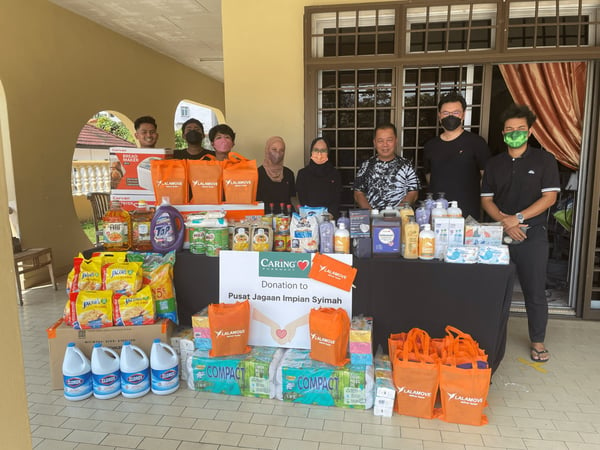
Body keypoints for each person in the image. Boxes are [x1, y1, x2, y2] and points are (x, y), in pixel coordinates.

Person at [481, 104, 560, 363]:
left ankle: (537, 341)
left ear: (530, 131)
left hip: (532, 235)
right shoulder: (495, 164)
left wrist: (518, 218)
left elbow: (549, 197)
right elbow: (486, 200)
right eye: (510, 130)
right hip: (501, 234)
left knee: (534, 290)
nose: (515, 134)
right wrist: (506, 221)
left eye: (520, 130)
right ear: (503, 133)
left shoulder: (544, 160)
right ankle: (490, 338)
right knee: (494, 290)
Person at [423, 92, 491, 219]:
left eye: (455, 113)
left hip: (467, 211)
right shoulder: (430, 146)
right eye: (445, 113)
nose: (450, 116)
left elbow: (486, 178)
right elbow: (429, 176)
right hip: (437, 212)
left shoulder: (476, 143)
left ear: (463, 115)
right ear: (439, 116)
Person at [354, 123, 420, 210]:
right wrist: (371, 214)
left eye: (389, 140)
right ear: (374, 143)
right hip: (372, 219)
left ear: (396, 141)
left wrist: (397, 213)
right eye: (380, 141)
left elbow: (413, 193)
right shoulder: (366, 165)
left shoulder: (406, 165)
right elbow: (358, 193)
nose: (385, 145)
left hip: (400, 218)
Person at [296, 137, 341, 219]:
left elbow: (336, 200)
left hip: (329, 220)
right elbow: (302, 200)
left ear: (328, 153)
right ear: (311, 152)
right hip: (308, 219)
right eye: (316, 150)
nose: (319, 154)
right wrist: (312, 218)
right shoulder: (302, 174)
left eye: (323, 151)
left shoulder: (335, 174)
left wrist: (327, 218)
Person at [257, 136, 296, 215]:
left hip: (286, 220)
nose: (278, 153)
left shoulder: (289, 173)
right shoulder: (257, 173)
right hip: (264, 220)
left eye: (281, 150)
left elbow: (293, 199)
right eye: (274, 149)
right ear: (267, 150)